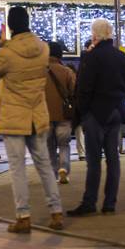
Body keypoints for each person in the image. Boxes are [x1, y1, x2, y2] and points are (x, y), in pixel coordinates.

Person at [0, 6, 64, 233]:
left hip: (14, 117)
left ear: (10, 26)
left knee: (17, 168)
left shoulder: (7, 54)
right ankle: (56, 212)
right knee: (45, 165)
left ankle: (24, 216)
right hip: (36, 115)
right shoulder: (44, 49)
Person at [68, 19, 125, 217]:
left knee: (94, 160)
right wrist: (120, 102)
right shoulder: (122, 57)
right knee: (113, 158)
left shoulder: (91, 57)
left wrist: (83, 111)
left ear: (94, 35)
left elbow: (84, 88)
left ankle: (90, 202)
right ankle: (110, 203)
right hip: (116, 111)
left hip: (96, 114)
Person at [45, 41, 76, 184]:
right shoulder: (67, 71)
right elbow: (74, 91)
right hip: (64, 115)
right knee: (64, 144)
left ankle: (52, 174)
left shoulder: (40, 71)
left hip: (45, 116)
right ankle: (63, 168)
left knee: (49, 146)